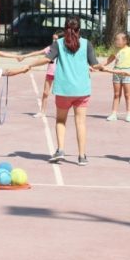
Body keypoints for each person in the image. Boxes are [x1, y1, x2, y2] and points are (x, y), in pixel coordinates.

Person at [27, 17, 100, 166]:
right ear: (79, 30)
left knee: (61, 120)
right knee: (81, 123)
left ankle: (60, 150)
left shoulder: (58, 44)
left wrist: (30, 65)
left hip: (63, 89)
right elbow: (95, 65)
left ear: (65, 29)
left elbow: (47, 59)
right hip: (82, 89)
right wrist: (105, 65)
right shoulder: (86, 44)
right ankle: (82, 156)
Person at [19, 29, 64, 118]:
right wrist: (24, 56)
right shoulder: (50, 48)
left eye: (56, 39)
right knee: (45, 93)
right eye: (53, 39)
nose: (54, 41)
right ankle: (42, 111)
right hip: (50, 73)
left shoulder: (64, 49)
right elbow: (37, 52)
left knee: (61, 94)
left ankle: (62, 112)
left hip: (61, 74)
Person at [104, 32, 130, 122]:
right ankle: (114, 114)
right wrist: (98, 66)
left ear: (125, 41)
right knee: (116, 94)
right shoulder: (115, 51)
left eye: (118, 40)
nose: (116, 41)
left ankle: (129, 114)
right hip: (116, 73)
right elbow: (108, 61)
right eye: (115, 39)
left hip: (127, 73)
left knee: (127, 95)